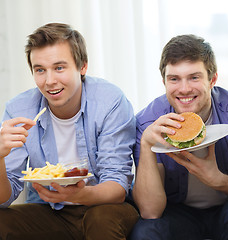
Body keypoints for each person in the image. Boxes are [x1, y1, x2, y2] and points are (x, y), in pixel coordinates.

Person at [0, 23, 139, 240]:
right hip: (50, 211)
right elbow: (4, 199)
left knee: (101, 220)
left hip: (105, 205)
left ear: (82, 66)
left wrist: (81, 195)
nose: (49, 81)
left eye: (59, 67)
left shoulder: (110, 101)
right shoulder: (18, 109)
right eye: (40, 70)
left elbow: (117, 186)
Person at [129, 34, 228, 240]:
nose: (184, 89)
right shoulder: (148, 122)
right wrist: (148, 144)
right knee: (145, 231)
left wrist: (220, 181)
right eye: (174, 79)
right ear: (164, 82)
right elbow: (150, 211)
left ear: (213, 79)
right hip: (179, 211)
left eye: (194, 77)